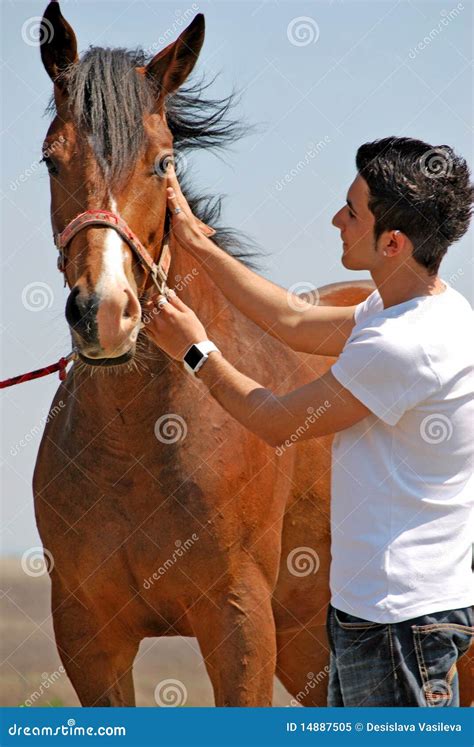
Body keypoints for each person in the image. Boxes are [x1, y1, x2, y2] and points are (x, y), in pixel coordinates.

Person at [144, 136, 473, 707]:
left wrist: (195, 351)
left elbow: (275, 421)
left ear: (392, 242)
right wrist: (198, 244)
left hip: (401, 623)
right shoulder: (415, 305)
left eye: (353, 211)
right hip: (373, 611)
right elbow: (294, 320)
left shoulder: (405, 345)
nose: (336, 220)